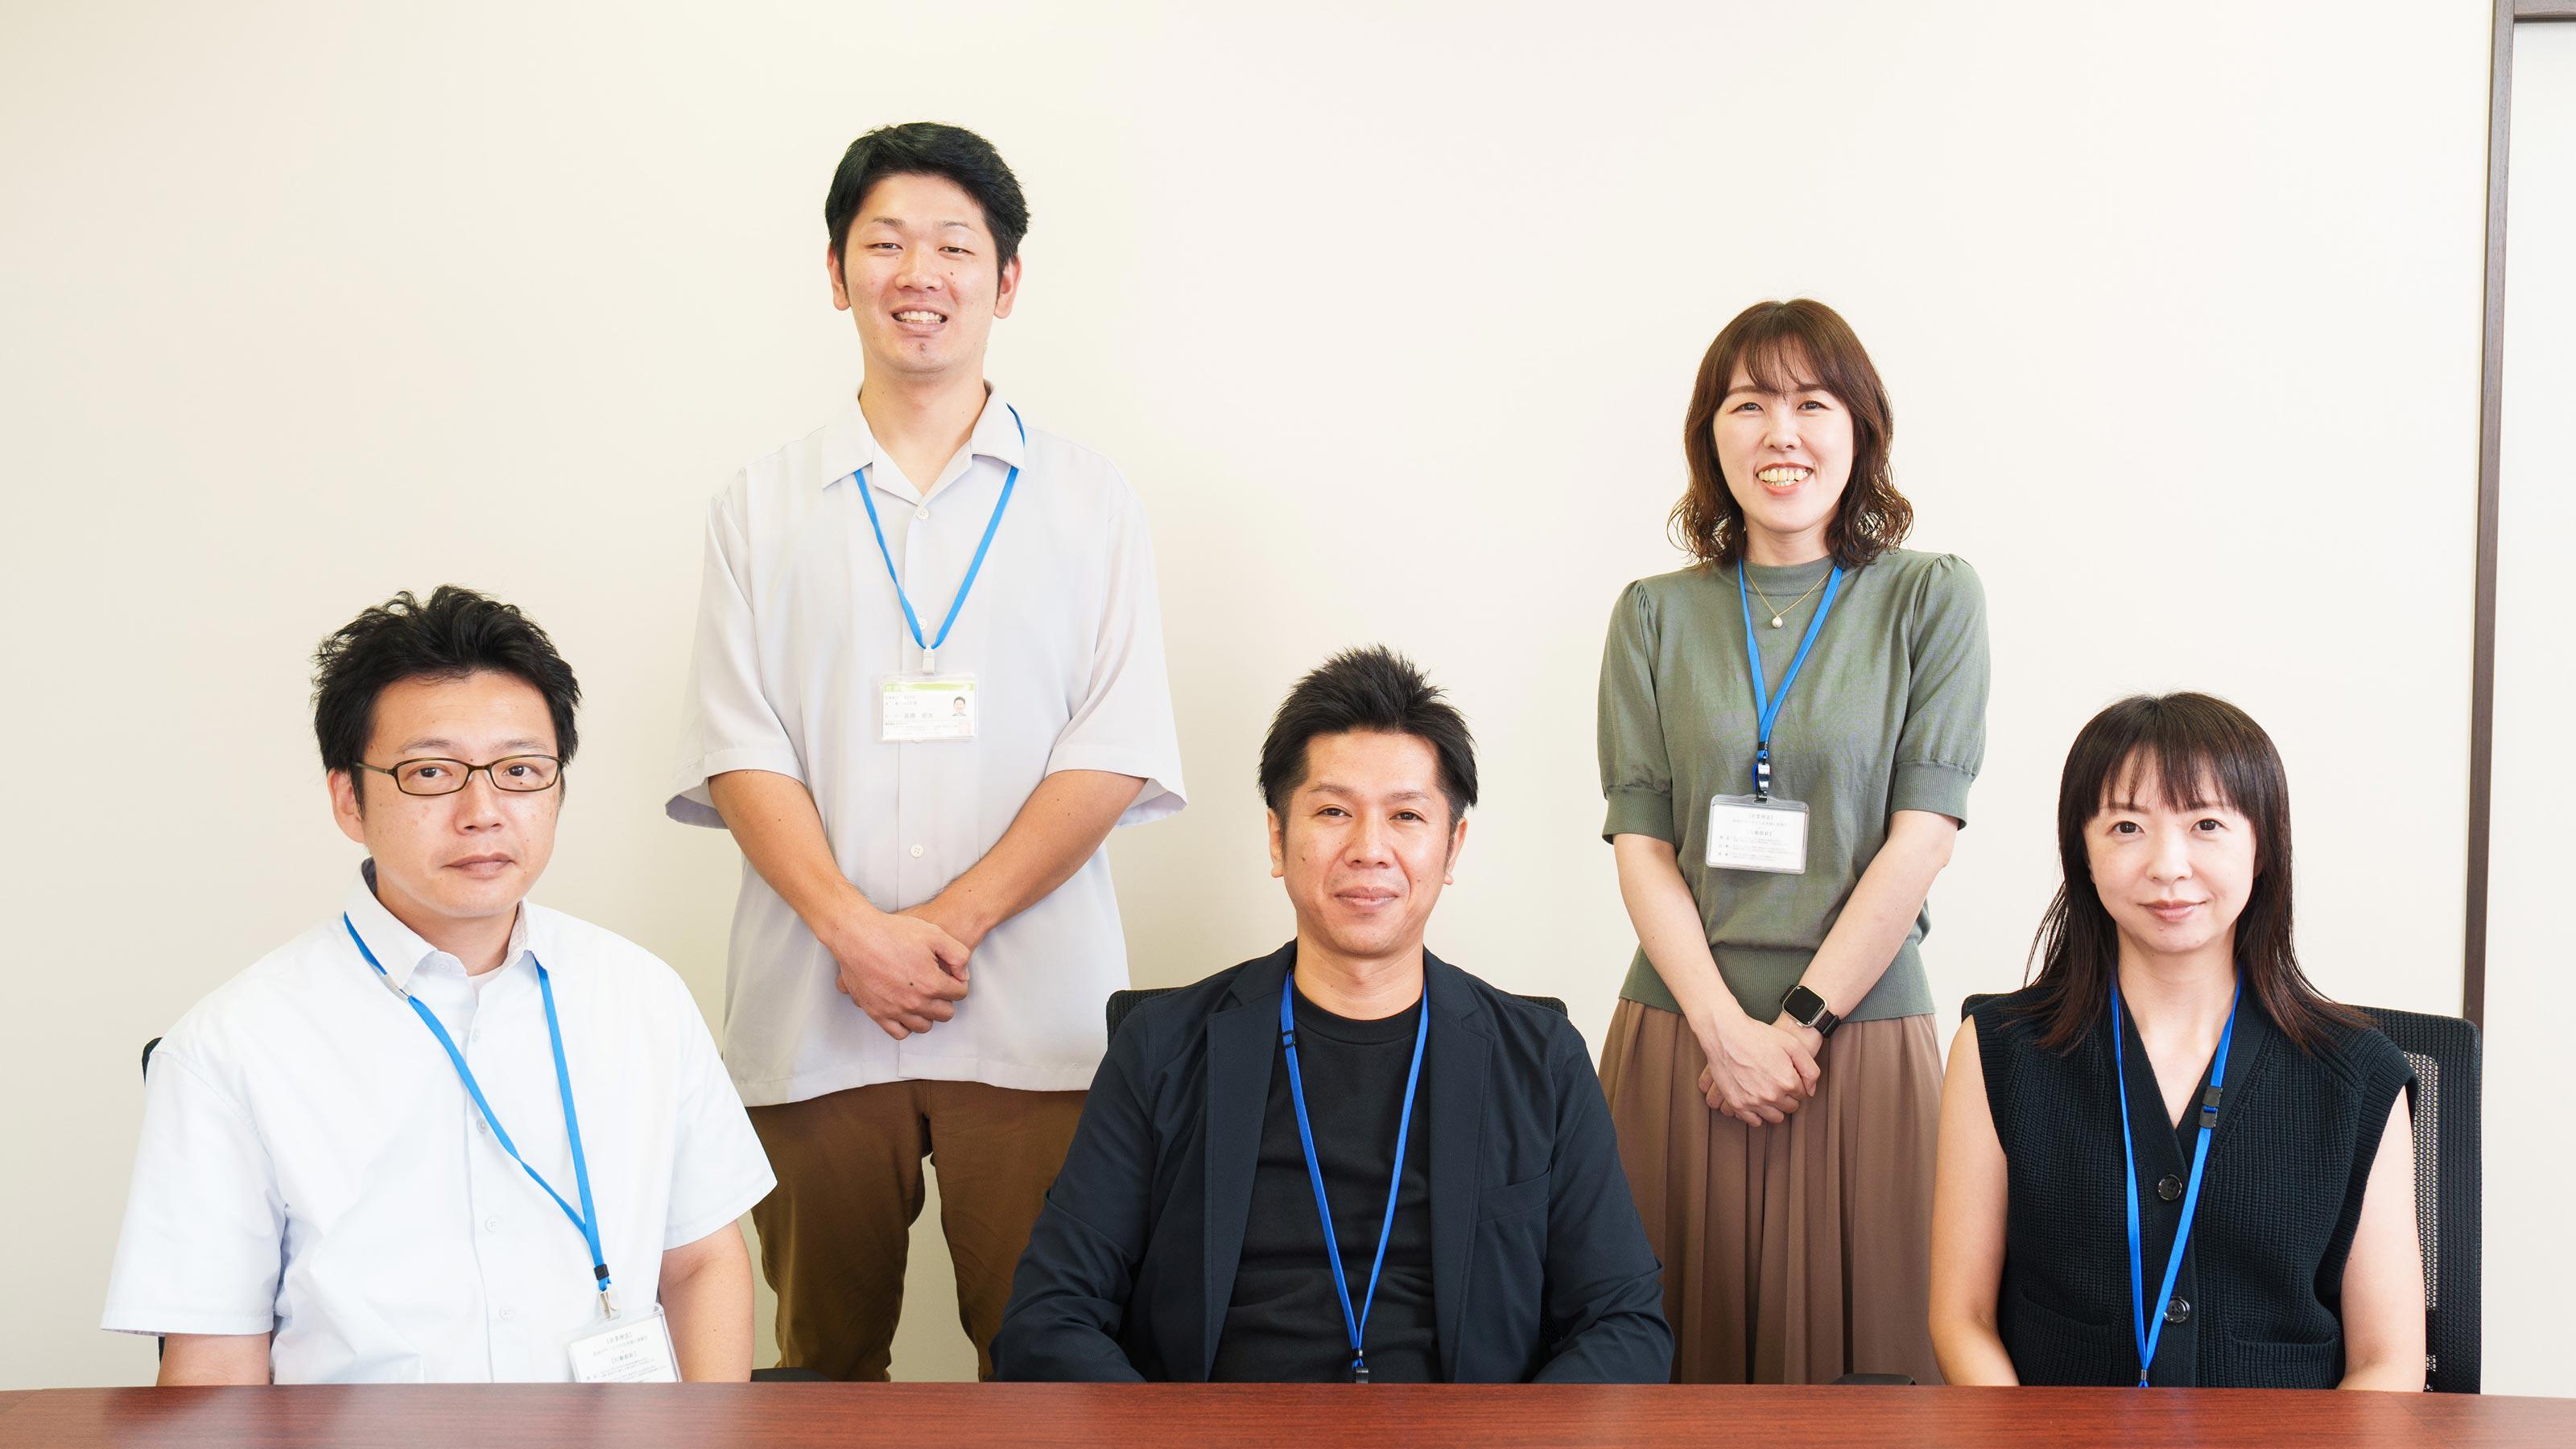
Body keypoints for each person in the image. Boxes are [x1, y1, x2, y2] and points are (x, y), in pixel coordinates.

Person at [668, 121, 1186, 1381]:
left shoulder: (1091, 500)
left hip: (1035, 1018)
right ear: (835, 272)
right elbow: (740, 749)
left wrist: (941, 927)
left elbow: (1114, 746)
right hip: (817, 1011)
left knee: (1049, 1359)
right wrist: (857, 934)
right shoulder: (759, 505)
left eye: (956, 246)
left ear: (1007, 281)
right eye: (886, 243)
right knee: (819, 1362)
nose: (920, 273)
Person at [103, 587, 773, 1384]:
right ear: (348, 800)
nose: (483, 811)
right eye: (430, 772)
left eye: (520, 770)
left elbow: (701, 1264)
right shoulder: (228, 1049)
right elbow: (215, 1362)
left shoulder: (642, 997)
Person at [992, 647, 1670, 1385]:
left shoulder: (1541, 1059)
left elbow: (1624, 1325)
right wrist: (1177, 1440)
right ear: (1278, 839)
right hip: (1223, 1432)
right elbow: (1047, 1318)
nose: (1369, 850)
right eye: (1333, 812)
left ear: (1452, 848)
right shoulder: (1161, 1049)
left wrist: (1506, 1439)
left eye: (1406, 815)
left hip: (1461, 1435)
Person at [1595, 298, 1988, 1385]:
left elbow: (1922, 837)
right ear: (1709, 436)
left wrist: (1797, 1026)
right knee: (1663, 1371)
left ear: (1859, 429)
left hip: (1859, 1045)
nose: (1781, 433)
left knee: (1873, 1385)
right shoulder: (1651, 615)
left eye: (1812, 403)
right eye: (1748, 405)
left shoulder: (1930, 598)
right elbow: (1641, 846)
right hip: (1682, 1038)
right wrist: (1724, 1031)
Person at [1929, 693, 2423, 1389]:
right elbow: (1964, 1319)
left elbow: (2388, 1362)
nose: (2168, 865)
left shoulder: (2358, 1074)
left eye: (2206, 824)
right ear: (2082, 851)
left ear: (2262, 847)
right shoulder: (1999, 1052)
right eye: (2127, 826)